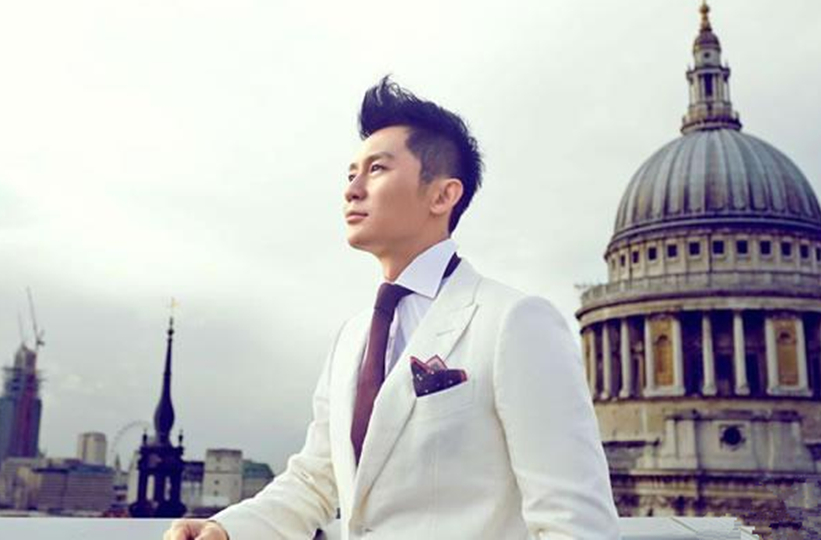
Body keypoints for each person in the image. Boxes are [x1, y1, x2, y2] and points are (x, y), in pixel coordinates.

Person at [165, 77, 620, 540]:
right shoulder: (352, 338)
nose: (352, 190)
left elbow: (575, 524)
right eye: (350, 175)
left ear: (442, 195)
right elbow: (315, 481)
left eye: (377, 169)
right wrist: (225, 528)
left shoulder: (516, 323)